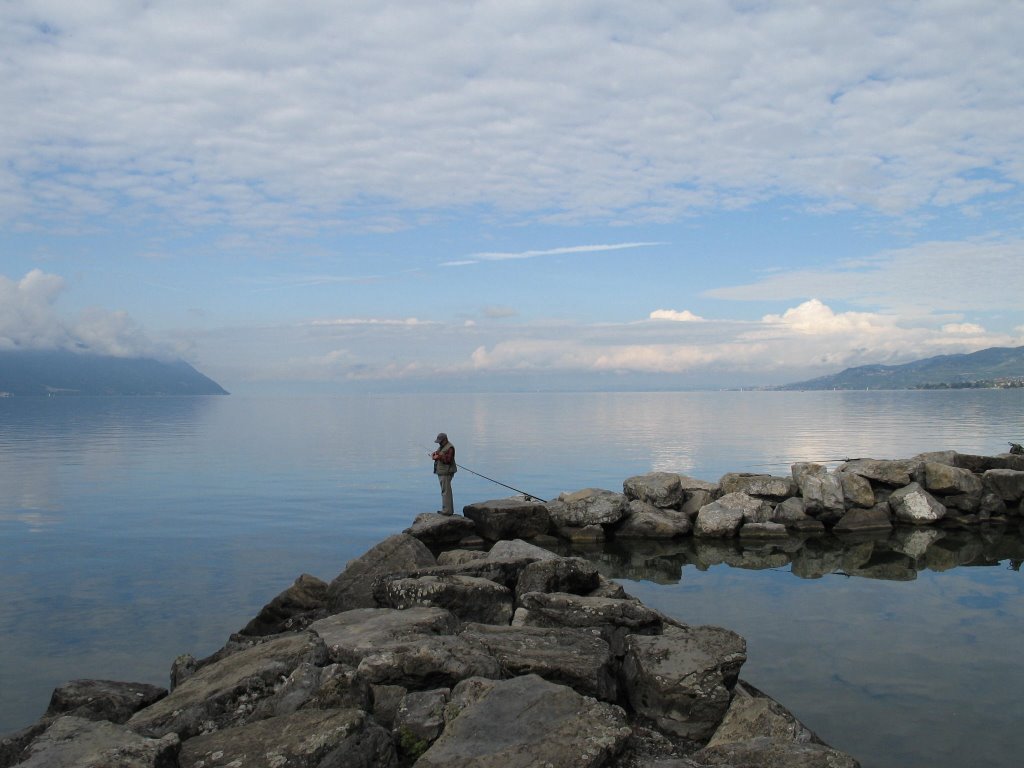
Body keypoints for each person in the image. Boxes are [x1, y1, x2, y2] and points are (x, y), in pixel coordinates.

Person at [431, 432, 457, 515]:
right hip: (442, 472)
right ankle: (446, 510)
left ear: (445, 440)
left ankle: (447, 511)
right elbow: (439, 453)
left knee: (446, 492)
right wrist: (434, 454)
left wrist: (438, 457)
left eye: (440, 441)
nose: (439, 442)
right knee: (444, 491)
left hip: (446, 472)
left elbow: (448, 460)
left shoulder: (450, 448)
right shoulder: (442, 446)